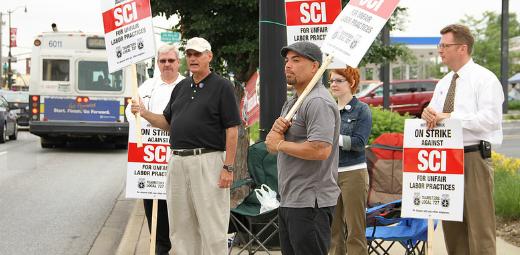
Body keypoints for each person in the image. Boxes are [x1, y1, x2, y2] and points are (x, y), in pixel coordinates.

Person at [131, 37, 240, 255]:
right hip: (177, 162)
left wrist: (228, 167)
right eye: (189, 54)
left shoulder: (222, 86)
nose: (192, 58)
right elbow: (168, 123)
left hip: (208, 161)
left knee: (212, 226)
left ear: (209, 57)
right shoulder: (180, 87)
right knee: (180, 227)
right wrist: (144, 113)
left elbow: (232, 130)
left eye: (197, 54)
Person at [422, 24, 503, 255]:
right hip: (446, 160)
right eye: (440, 45)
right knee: (453, 228)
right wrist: (428, 114)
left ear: (462, 48)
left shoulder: (484, 79)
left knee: (480, 228)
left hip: (473, 157)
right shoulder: (444, 83)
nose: (440, 50)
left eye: (445, 45)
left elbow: (491, 120)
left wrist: (451, 118)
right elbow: (436, 114)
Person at [265, 41, 341, 255]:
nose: (288, 65)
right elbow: (272, 147)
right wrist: (277, 134)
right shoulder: (293, 103)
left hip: (311, 203)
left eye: (296, 60)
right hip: (290, 198)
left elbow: (320, 150)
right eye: (287, 60)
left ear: (315, 66)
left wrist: (280, 143)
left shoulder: (317, 102)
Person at [125, 44, 184, 255]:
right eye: (162, 61)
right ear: (157, 64)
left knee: (179, 202)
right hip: (152, 157)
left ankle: (182, 245)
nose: (167, 65)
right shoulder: (146, 86)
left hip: (179, 154)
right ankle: (160, 247)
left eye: (171, 60)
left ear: (178, 62)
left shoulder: (187, 85)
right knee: (153, 202)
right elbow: (130, 114)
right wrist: (134, 111)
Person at [328, 67, 372, 255]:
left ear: (351, 83)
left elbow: (359, 143)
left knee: (355, 230)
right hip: (329, 173)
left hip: (354, 173)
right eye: (331, 81)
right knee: (333, 230)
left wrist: (331, 137)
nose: (333, 84)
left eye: (339, 80)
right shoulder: (328, 109)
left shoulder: (362, 109)